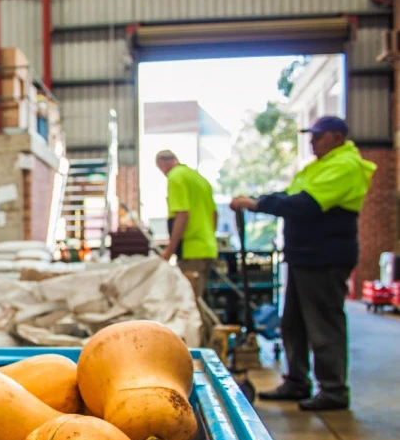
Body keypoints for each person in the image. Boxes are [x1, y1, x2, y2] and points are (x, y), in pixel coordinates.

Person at [230, 116, 375, 411]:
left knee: (323, 325)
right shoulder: (319, 166)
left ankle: (333, 390)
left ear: (336, 136)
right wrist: (260, 200)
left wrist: (258, 205)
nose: (312, 141)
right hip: (304, 257)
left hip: (324, 258)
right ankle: (297, 381)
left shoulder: (345, 166)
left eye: (318, 136)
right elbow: (292, 197)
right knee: (293, 324)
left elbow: (304, 206)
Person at [155, 150, 219, 298]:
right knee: (198, 300)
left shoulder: (175, 177)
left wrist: (170, 250)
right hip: (208, 247)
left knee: (189, 304)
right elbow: (214, 214)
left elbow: (182, 214)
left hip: (191, 250)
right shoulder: (198, 178)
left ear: (163, 164)